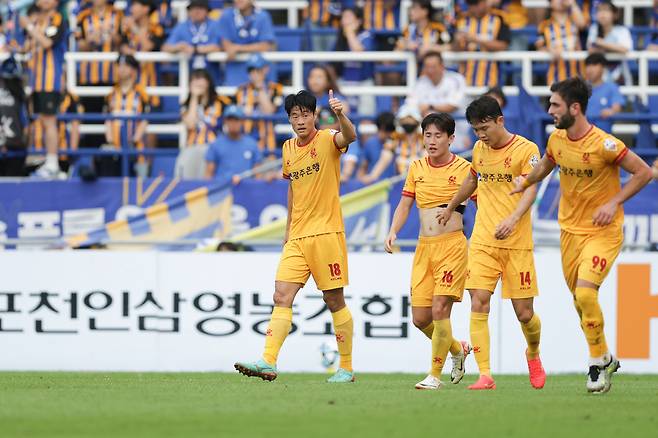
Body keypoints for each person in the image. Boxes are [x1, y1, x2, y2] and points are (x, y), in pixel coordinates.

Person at [511, 77, 653, 394]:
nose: (549, 110)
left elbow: (643, 172)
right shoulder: (557, 140)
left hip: (604, 231)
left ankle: (595, 366)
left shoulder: (605, 144)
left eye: (555, 105)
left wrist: (614, 201)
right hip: (569, 233)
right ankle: (604, 356)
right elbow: (547, 164)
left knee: (587, 294)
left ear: (575, 108)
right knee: (580, 301)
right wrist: (525, 182)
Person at [234, 89, 358, 383]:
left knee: (333, 300)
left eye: (305, 114)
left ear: (314, 115)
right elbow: (292, 189)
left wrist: (340, 114)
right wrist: (288, 229)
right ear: (288, 119)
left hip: (327, 233)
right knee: (281, 294)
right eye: (294, 115)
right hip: (298, 237)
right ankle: (268, 360)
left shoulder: (328, 138)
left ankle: (347, 367)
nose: (300, 120)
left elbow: (349, 137)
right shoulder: (288, 148)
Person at [438, 96, 546, 391]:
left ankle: (533, 353)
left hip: (517, 242)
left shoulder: (527, 150)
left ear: (500, 120)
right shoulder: (479, 149)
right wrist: (452, 206)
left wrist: (513, 219)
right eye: (475, 130)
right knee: (479, 301)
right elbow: (472, 179)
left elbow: (530, 190)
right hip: (484, 239)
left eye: (485, 127)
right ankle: (485, 374)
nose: (481, 135)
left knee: (524, 314)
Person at [385, 113, 472, 390]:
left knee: (439, 310)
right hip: (425, 248)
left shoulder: (465, 169)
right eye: (428, 135)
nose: (431, 141)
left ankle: (434, 375)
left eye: (437, 135)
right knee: (420, 318)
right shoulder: (417, 167)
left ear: (451, 139)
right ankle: (457, 349)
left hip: (452, 247)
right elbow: (405, 204)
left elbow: (485, 204)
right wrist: (393, 230)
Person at [21, 0, 67, 178]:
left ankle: (53, 163)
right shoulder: (38, 20)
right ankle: (42, 159)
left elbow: (48, 43)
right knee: (38, 121)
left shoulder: (57, 19)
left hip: (50, 79)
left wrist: (30, 28)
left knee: (49, 121)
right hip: (35, 80)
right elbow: (28, 47)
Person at [407, 51, 469, 152]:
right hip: (429, 136)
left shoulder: (456, 79)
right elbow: (411, 106)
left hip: (457, 133)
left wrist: (429, 106)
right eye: (427, 67)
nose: (430, 70)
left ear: (442, 66)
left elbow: (453, 105)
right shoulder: (421, 82)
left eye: (433, 66)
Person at [177, 69, 233, 178]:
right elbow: (191, 125)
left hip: (214, 148)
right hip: (192, 147)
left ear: (208, 81)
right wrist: (194, 97)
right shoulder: (186, 104)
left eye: (201, 78)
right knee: (187, 182)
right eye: (194, 79)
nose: (198, 83)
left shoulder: (221, 102)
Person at [103, 55, 150, 176]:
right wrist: (110, 141)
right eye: (119, 65)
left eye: (126, 66)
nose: (122, 69)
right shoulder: (111, 94)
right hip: (115, 148)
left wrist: (134, 141)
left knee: (138, 187)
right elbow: (107, 119)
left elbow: (145, 120)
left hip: (135, 149)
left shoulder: (141, 94)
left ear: (134, 70)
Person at [236, 54, 284, 160]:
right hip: (245, 137)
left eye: (258, 70)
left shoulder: (276, 89)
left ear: (266, 69)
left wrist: (260, 89)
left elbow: (269, 112)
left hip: (267, 139)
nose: (254, 74)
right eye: (251, 70)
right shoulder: (241, 90)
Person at [454, 0, 510, 87]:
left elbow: (503, 46)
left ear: (485, 2)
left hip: (490, 81)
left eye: (476, 3)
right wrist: (457, 41)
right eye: (470, 4)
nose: (473, 7)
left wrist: (476, 40)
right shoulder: (462, 21)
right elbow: (455, 49)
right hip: (465, 82)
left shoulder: (498, 19)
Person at [219, 0, 276, 86]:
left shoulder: (263, 16)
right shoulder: (226, 15)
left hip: (258, 69)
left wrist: (238, 48)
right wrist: (252, 47)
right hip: (235, 71)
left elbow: (265, 46)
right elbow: (226, 45)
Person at [120, 0, 165, 108]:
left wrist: (134, 28)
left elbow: (148, 45)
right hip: (131, 85)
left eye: (135, 5)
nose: (131, 10)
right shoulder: (127, 29)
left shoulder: (156, 28)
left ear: (146, 9)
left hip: (151, 82)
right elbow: (123, 47)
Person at [162, 0, 222, 82]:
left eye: (200, 8)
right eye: (193, 8)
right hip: (188, 75)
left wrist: (195, 49)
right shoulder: (182, 26)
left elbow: (220, 46)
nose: (197, 11)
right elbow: (166, 47)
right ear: (189, 11)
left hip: (212, 75)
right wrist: (179, 47)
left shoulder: (215, 25)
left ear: (207, 11)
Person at [204, 105, 262, 185]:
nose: (233, 123)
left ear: (242, 121)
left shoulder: (252, 144)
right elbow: (208, 175)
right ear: (225, 121)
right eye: (230, 120)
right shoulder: (216, 144)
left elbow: (258, 176)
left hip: (246, 192)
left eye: (236, 120)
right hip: (221, 192)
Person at [333, 7, 375, 116]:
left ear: (359, 21)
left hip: (363, 81)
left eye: (348, 17)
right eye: (343, 17)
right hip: (344, 81)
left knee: (366, 117)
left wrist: (350, 33)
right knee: (341, 115)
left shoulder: (366, 35)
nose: (344, 21)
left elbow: (359, 52)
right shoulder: (340, 38)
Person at [536, 0, 587, 86]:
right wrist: (549, 49)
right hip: (556, 75)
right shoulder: (544, 25)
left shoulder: (575, 20)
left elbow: (582, 24)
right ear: (550, 3)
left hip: (578, 75)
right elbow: (539, 46)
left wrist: (572, 3)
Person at [75, 0, 123, 88]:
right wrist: (90, 40)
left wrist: (111, 33)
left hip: (113, 72)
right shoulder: (83, 16)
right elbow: (79, 46)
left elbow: (124, 42)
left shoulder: (118, 14)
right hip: (89, 73)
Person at [586, 0, 633, 85]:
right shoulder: (594, 28)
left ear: (615, 14)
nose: (602, 14)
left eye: (606, 10)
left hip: (619, 73)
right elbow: (591, 50)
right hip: (600, 75)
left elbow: (625, 49)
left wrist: (602, 44)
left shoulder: (622, 30)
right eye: (599, 10)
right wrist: (612, 48)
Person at [584, 53, 625, 134]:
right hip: (581, 139)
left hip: (603, 139)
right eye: (588, 65)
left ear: (603, 68)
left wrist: (612, 111)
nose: (590, 69)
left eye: (594, 65)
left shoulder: (611, 87)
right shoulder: (579, 88)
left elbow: (617, 107)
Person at [358, 111, 397, 184]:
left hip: (393, 187)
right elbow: (362, 168)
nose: (390, 134)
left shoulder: (397, 143)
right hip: (375, 188)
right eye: (389, 130)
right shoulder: (370, 143)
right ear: (382, 127)